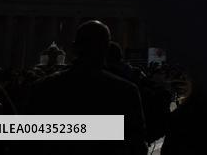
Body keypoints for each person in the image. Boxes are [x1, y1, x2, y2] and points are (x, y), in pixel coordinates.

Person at [27, 20, 147, 154]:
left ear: (74, 48)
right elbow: (137, 145)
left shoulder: (43, 88)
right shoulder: (126, 91)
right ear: (106, 49)